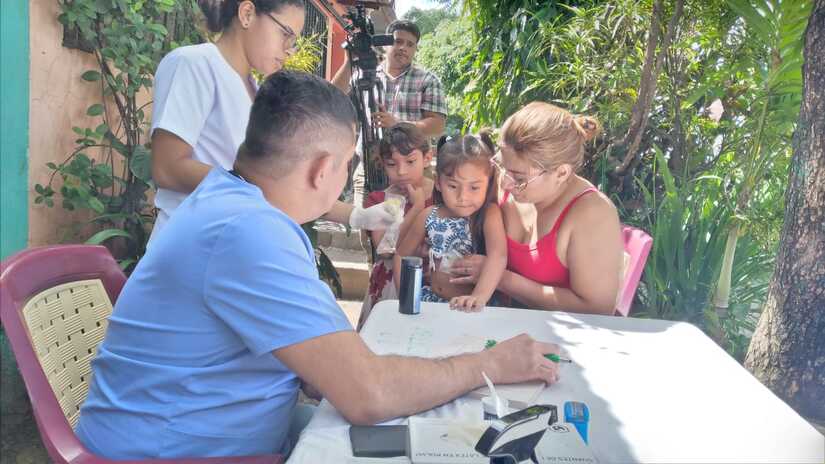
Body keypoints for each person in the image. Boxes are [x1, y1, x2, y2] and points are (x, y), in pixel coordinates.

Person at [76, 71, 561, 460]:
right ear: (322, 169)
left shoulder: (230, 203)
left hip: (201, 428)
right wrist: (491, 364)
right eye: (350, 162)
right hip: (172, 451)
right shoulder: (249, 231)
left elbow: (318, 366)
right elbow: (367, 394)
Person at [149, 0, 393, 239]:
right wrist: (260, 188)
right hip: (190, 242)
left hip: (234, 244)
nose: (290, 48)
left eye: (294, 40)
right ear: (247, 14)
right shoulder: (195, 64)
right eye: (285, 33)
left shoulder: (256, 91)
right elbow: (167, 168)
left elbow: (289, 179)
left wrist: (360, 216)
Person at [450, 102, 624, 315]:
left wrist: (500, 277)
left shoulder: (592, 214)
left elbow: (597, 309)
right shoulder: (507, 180)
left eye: (519, 178)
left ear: (561, 173)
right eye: (501, 166)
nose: (504, 183)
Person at [394, 132, 507, 312]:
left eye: (474, 187)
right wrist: (405, 297)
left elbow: (498, 256)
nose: (463, 197)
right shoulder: (428, 215)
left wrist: (478, 297)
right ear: (438, 183)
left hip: (471, 308)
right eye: (453, 186)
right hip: (429, 304)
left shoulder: (488, 214)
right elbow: (401, 256)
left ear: (489, 182)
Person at [332, 19, 447, 194]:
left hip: (413, 171)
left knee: (415, 220)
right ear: (385, 44)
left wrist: (398, 124)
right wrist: (350, 61)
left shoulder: (428, 80)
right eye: (398, 41)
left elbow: (437, 125)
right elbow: (332, 96)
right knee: (364, 220)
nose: (403, 48)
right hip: (371, 169)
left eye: (410, 44)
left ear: (415, 49)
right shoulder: (364, 75)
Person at [360, 123, 434, 327]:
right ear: (383, 164)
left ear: (427, 158)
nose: (401, 171)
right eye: (392, 164)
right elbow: (385, 248)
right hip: (390, 286)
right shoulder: (379, 200)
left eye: (410, 161)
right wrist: (417, 208)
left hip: (435, 284)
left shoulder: (446, 195)